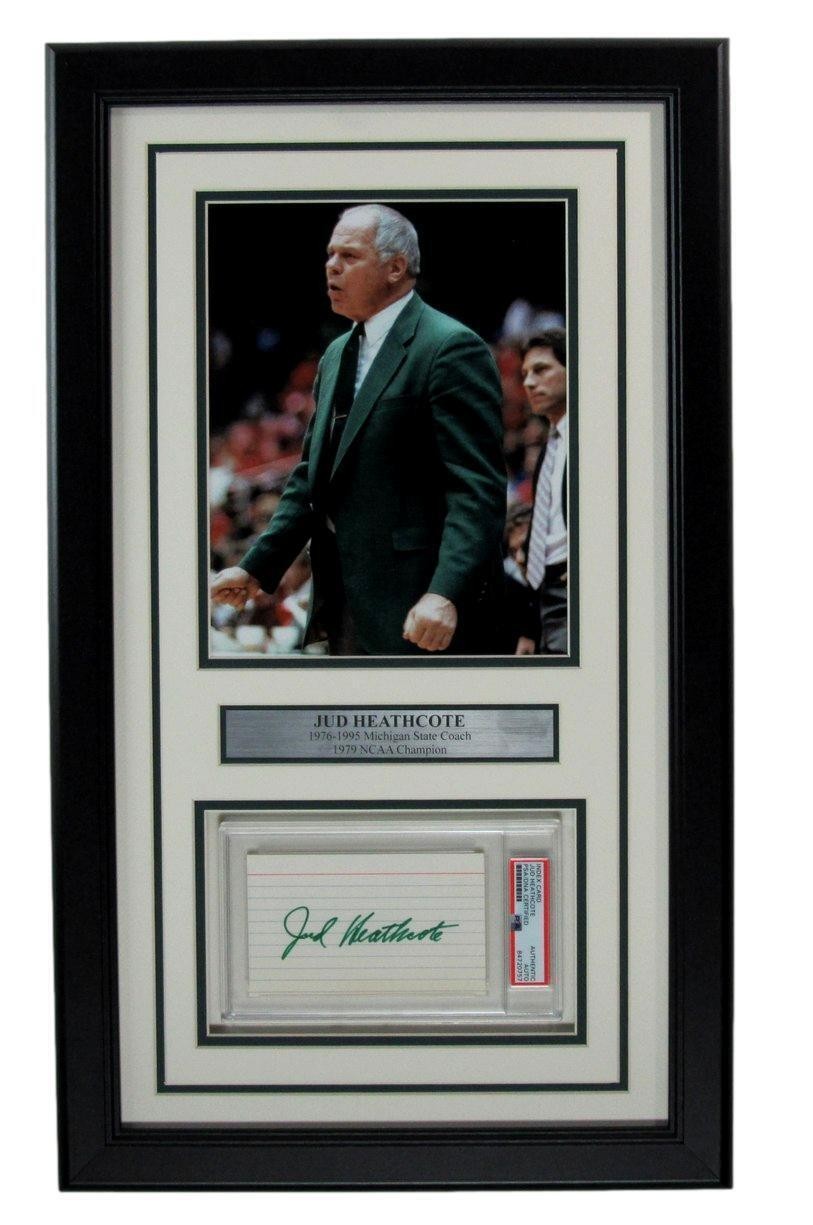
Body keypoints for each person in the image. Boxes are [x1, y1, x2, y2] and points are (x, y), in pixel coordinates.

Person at [210, 204, 507, 656]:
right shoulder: (335, 354)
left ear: (395, 268)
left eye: (349, 256)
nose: (332, 266)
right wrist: (256, 567)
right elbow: (312, 478)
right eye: (330, 254)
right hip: (344, 600)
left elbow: (477, 489)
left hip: (421, 604)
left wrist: (446, 592)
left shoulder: (450, 346)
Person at [514, 329, 569, 655]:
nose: (529, 383)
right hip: (546, 597)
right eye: (524, 374)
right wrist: (530, 628)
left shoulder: (599, 436)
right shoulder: (549, 448)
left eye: (541, 369)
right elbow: (541, 543)